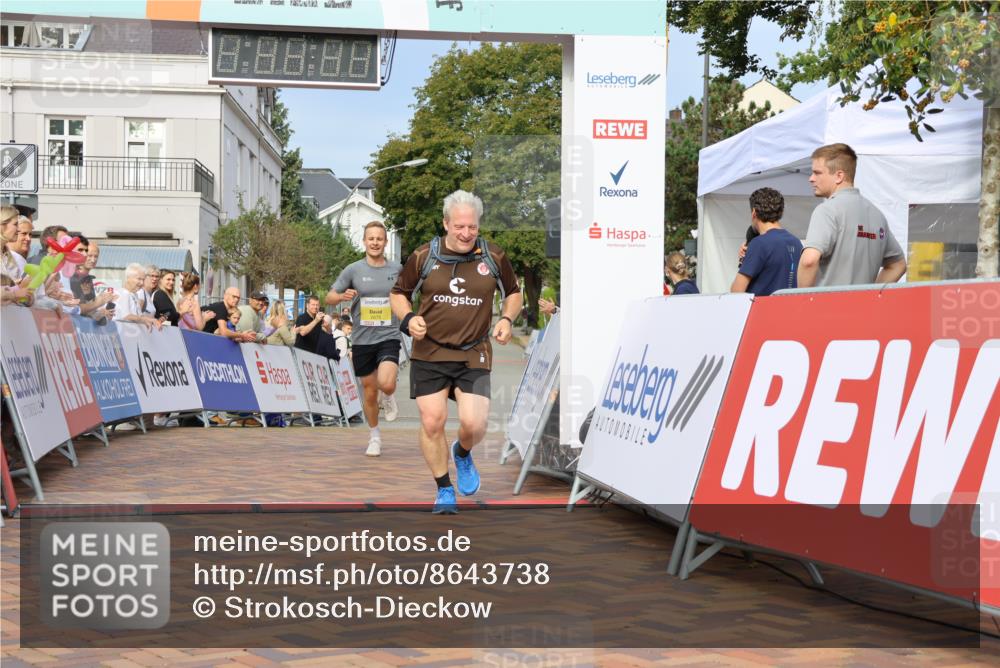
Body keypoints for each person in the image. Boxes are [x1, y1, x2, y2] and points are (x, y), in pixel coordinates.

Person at [390, 190, 522, 514]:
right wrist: (409, 319)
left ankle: (462, 453)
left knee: (475, 425)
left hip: (472, 352)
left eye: (472, 227)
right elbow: (398, 294)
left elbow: (514, 294)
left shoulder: (493, 256)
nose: (466, 233)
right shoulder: (423, 256)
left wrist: (506, 318)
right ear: (446, 223)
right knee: (432, 421)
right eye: (459, 226)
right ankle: (444, 489)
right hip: (430, 352)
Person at [326, 221, 404, 456]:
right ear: (364, 241)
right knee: (369, 392)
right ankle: (374, 436)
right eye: (371, 238)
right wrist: (341, 296)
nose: (375, 242)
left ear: (385, 242)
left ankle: (389, 395)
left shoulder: (397, 270)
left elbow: (408, 295)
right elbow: (329, 296)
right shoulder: (353, 269)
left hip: (389, 334)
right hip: (362, 338)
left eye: (379, 238)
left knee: (387, 382)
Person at [798, 143, 907, 287]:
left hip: (826, 307)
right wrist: (870, 295)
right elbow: (898, 264)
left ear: (839, 176)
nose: (811, 178)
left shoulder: (827, 210)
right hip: (862, 308)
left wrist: (802, 302)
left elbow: (809, 261)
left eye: (817, 173)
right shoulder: (877, 215)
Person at [731, 188, 803, 297]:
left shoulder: (759, 244)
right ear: (781, 211)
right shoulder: (796, 242)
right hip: (790, 309)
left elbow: (736, 292)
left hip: (763, 311)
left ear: (754, 212)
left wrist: (744, 261)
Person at [114, 263, 161, 330]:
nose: (142, 283)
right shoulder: (123, 293)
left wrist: (152, 320)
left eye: (143, 279)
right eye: (139, 279)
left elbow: (138, 315)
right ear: (128, 278)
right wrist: (145, 320)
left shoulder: (134, 295)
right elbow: (126, 316)